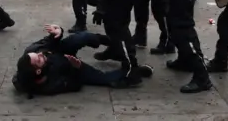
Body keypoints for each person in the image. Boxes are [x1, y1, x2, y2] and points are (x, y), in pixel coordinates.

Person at [13, 24, 153, 97]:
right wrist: (77, 67)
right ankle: (134, 74)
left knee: (82, 37)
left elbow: (48, 43)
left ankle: (111, 42)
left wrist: (58, 33)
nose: (40, 55)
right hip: (70, 67)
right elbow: (74, 85)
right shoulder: (48, 85)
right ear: (38, 70)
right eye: (39, 59)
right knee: (103, 79)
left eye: (38, 54)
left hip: (59, 51)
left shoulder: (33, 51)